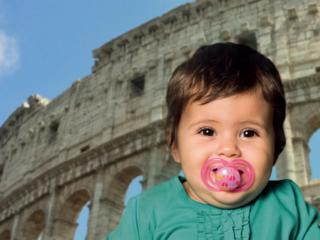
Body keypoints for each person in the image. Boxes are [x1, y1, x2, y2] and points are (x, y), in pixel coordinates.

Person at [107, 42, 320, 239]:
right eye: (207, 131)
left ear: (276, 147)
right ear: (174, 145)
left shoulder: (289, 204)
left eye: (248, 133)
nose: (228, 149)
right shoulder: (147, 211)